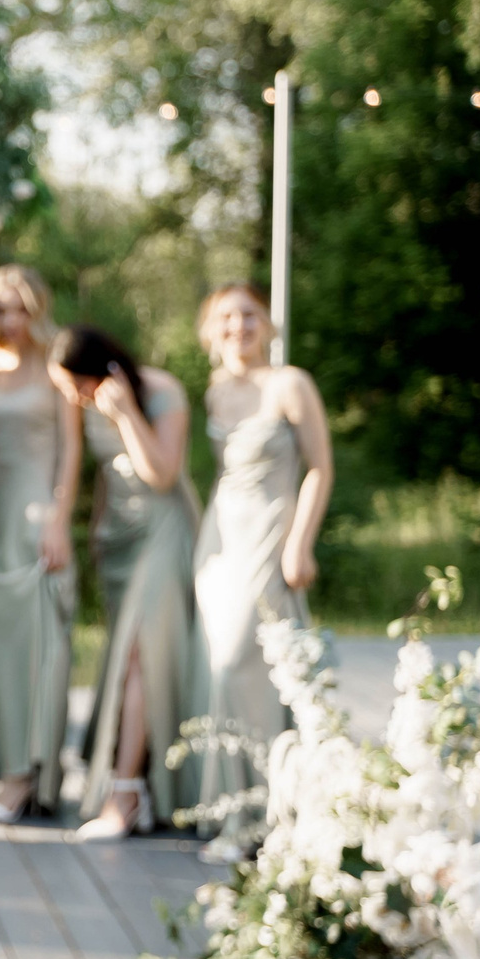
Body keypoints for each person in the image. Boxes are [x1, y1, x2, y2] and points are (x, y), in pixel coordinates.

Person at [53, 326, 202, 839]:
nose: (75, 398)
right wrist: (96, 533)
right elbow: (100, 473)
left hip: (164, 531)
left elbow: (160, 473)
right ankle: (146, 781)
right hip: (119, 541)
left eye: (80, 386)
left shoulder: (161, 392)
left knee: (140, 654)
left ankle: (125, 795)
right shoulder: (79, 401)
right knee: (130, 660)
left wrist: (125, 414)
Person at [190, 280, 333, 794]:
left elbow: (320, 468)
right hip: (219, 537)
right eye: (226, 318)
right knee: (213, 661)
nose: (239, 326)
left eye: (249, 315)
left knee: (241, 660)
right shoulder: (215, 389)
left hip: (271, 531)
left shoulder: (290, 384)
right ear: (210, 331)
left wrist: (300, 542)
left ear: (268, 324)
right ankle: (223, 802)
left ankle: (265, 801)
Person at [0, 265, 80, 821]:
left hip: (40, 516)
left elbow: (71, 452)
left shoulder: (58, 362)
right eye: (1, 310)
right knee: (0, 649)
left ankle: (34, 776)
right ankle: (9, 771)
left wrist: (59, 520)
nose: (11, 320)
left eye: (20, 308)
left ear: (38, 307)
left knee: (44, 648)